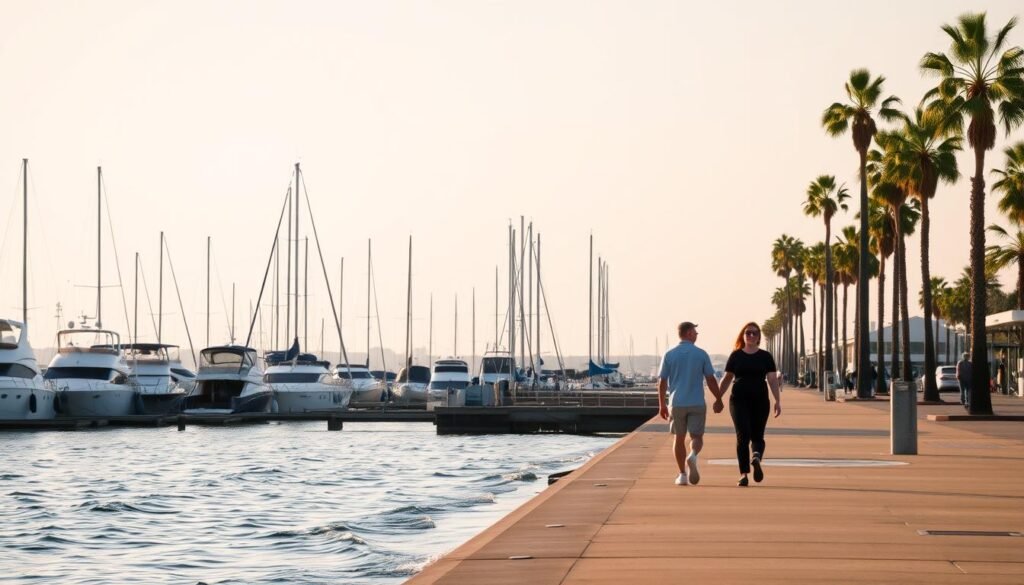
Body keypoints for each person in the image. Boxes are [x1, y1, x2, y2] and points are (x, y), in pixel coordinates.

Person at [657, 321, 723, 486]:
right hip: (697, 402)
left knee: (678, 439)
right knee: (697, 437)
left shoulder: (669, 354)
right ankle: (693, 454)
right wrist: (718, 399)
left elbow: (662, 381)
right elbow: (710, 379)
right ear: (688, 333)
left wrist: (662, 405)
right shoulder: (701, 354)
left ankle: (682, 475)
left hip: (677, 403)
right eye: (695, 332)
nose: (696, 335)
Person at [718, 322, 782, 487]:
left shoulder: (765, 356)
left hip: (760, 401)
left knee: (757, 435)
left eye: (754, 333)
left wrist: (777, 401)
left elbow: (773, 380)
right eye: (748, 333)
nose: (751, 336)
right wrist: (718, 398)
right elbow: (726, 379)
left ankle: (755, 458)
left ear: (759, 336)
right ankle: (744, 473)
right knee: (743, 435)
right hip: (738, 401)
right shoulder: (736, 356)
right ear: (743, 335)